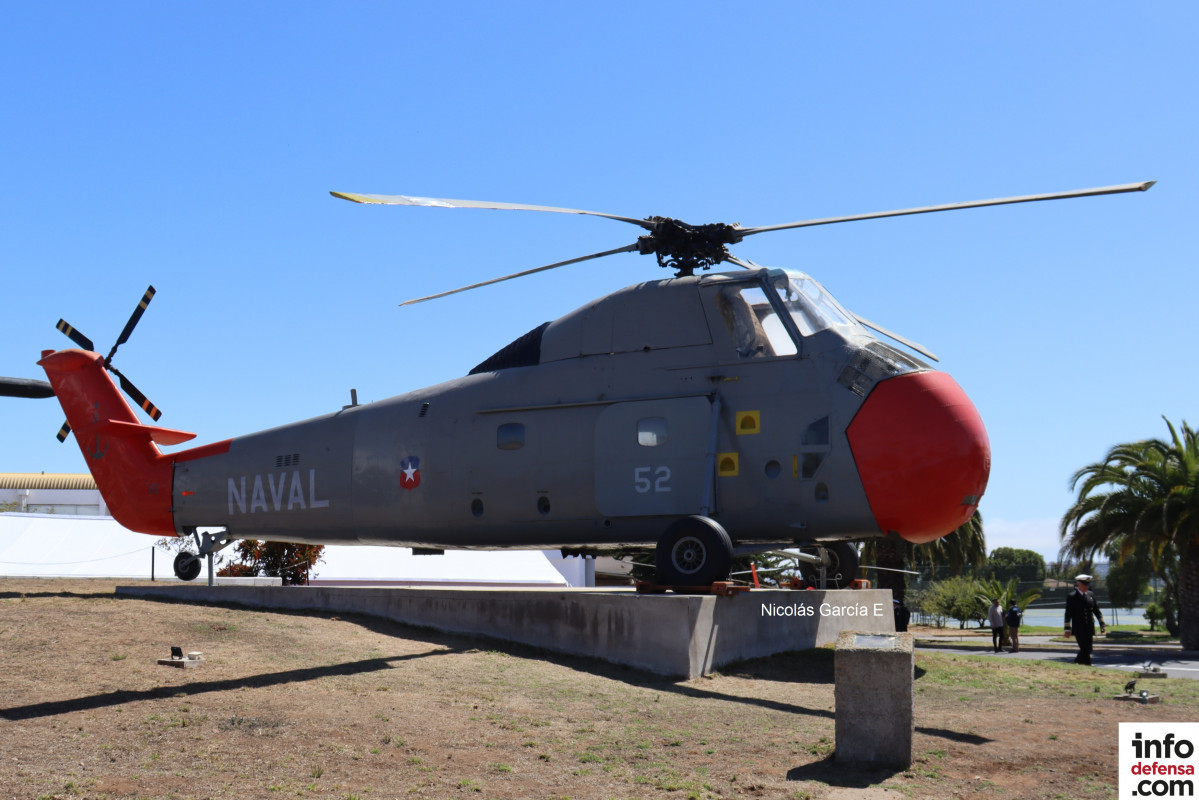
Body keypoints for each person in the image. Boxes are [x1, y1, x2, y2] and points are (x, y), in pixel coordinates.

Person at [1064, 574, 1106, 665]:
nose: (1087, 586)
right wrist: (1067, 629)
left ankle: (1076, 663)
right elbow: (1068, 614)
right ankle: (1088, 666)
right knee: (1084, 648)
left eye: (1088, 584)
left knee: (1089, 648)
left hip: (1089, 627)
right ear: (1079, 584)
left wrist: (1102, 623)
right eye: (1085, 584)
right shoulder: (1072, 596)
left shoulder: (1090, 595)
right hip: (1079, 628)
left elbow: (1096, 610)